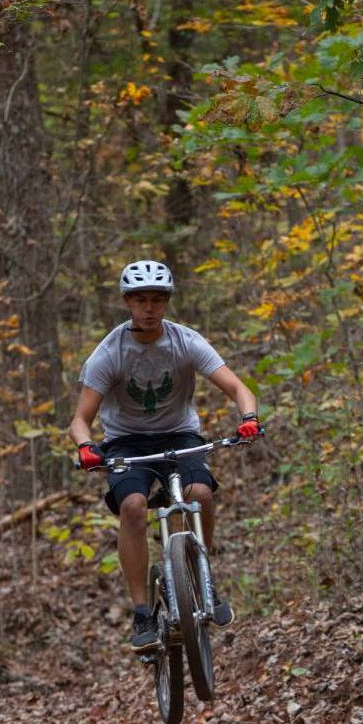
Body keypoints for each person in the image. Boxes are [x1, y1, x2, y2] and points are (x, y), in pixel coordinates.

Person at [69, 260, 260, 650]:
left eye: (157, 299)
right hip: (127, 442)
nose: (149, 308)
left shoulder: (186, 341)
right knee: (135, 506)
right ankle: (142, 611)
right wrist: (87, 447)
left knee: (200, 494)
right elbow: (80, 419)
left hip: (180, 434)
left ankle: (203, 577)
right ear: (127, 302)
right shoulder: (110, 352)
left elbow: (238, 387)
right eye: (140, 300)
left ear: (167, 302)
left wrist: (249, 418)